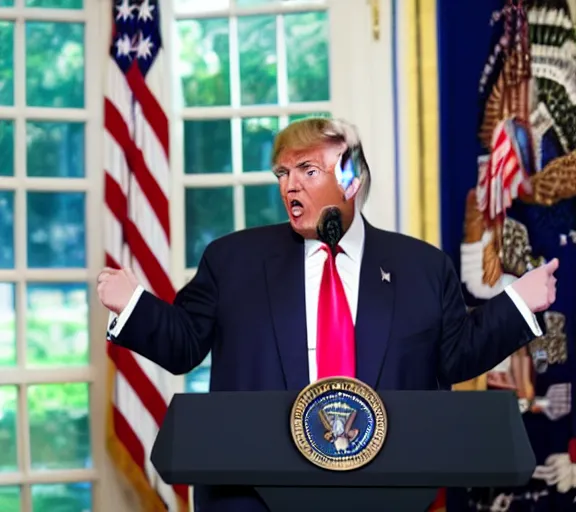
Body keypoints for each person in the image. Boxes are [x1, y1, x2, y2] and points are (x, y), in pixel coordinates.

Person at [98, 118, 558, 512]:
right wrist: (134, 304)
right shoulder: (232, 260)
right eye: (282, 172)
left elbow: (457, 355)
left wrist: (518, 303)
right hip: (252, 494)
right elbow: (183, 345)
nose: (289, 185)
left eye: (307, 170)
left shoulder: (420, 266)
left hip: (385, 493)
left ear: (352, 178)